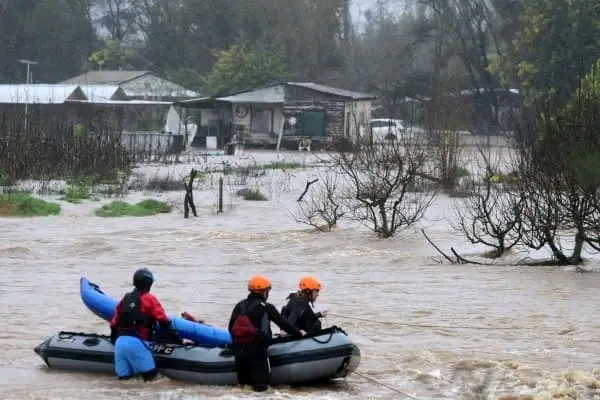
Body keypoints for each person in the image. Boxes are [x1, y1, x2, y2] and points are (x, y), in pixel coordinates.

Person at [228, 275, 305, 392]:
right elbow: (284, 324)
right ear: (264, 292)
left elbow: (230, 328)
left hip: (239, 353)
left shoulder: (239, 306)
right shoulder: (266, 307)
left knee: (244, 390)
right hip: (257, 352)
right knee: (262, 389)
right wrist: (299, 333)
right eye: (267, 290)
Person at [110, 268, 172, 381]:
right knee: (152, 380)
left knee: (124, 382)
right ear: (149, 283)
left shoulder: (125, 298)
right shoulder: (149, 299)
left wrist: (113, 340)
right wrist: (174, 339)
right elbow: (163, 320)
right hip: (137, 343)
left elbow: (114, 323)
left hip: (119, 344)